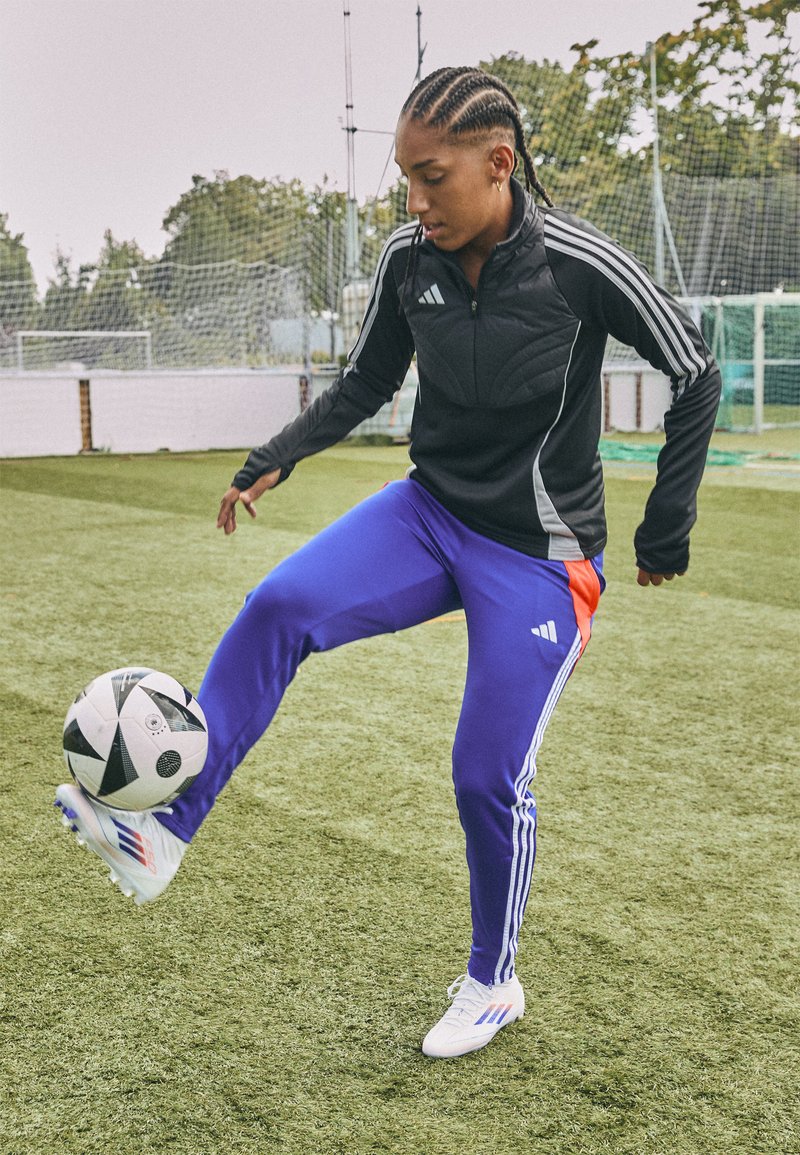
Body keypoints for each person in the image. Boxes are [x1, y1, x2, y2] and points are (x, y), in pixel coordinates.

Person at [54, 66, 721, 1059]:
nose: (413, 202)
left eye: (430, 176)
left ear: (498, 164)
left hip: (539, 556)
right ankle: (161, 833)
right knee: (280, 605)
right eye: (404, 179)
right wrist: (277, 454)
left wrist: (664, 527)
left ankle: (492, 983)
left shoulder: (580, 266)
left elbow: (695, 368)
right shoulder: (411, 259)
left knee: (484, 775)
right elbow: (368, 376)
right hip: (427, 513)